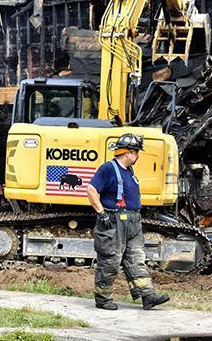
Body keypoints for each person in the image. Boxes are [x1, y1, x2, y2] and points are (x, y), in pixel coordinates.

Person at [86, 133, 170, 311]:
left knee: (136, 258)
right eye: (137, 152)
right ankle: (103, 298)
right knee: (110, 261)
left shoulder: (129, 171)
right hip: (114, 221)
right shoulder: (108, 168)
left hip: (132, 221)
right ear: (128, 153)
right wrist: (102, 213)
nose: (138, 156)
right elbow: (92, 190)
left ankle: (148, 296)